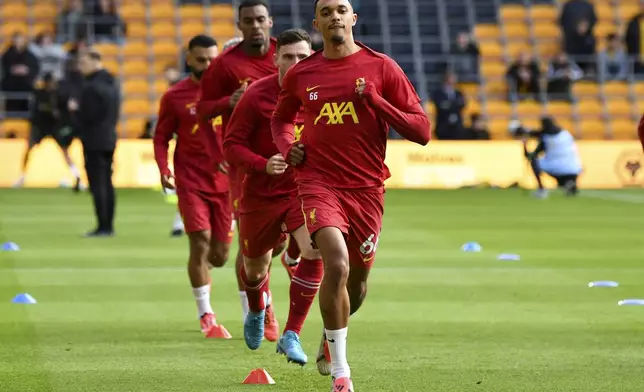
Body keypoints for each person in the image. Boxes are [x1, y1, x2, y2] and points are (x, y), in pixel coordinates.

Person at [271, 0, 430, 389]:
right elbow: (280, 117)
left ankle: (329, 339)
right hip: (318, 182)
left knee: (355, 286)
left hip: (366, 188)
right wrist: (288, 144)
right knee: (336, 265)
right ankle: (342, 373)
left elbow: (422, 131)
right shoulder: (302, 73)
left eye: (341, 9)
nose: (334, 17)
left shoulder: (382, 68)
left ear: (353, 19)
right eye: (326, 12)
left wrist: (376, 101)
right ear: (317, 23)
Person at [224, 28, 321, 364]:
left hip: (303, 191)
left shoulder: (322, 93)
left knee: (315, 249)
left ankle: (291, 333)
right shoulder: (256, 95)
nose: (296, 63)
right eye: (289, 56)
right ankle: (256, 308)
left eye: (303, 57)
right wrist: (263, 164)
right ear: (276, 59)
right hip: (260, 193)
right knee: (254, 268)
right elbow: (231, 145)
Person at [197, 0, 290, 338]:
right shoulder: (224, 66)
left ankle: (285, 263)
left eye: (260, 19)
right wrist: (228, 104)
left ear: (270, 22)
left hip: (290, 157)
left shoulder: (289, 54)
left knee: (278, 244)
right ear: (240, 26)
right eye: (248, 20)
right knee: (254, 245)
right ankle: (260, 308)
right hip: (247, 166)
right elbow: (203, 110)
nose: (255, 25)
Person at [153, 35, 233, 336]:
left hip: (226, 183)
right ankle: (205, 313)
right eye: (201, 60)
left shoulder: (232, 94)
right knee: (199, 239)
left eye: (213, 59)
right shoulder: (175, 96)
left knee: (219, 256)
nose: (208, 64)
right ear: (189, 60)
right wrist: (164, 168)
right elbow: (161, 136)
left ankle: (204, 275)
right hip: (190, 180)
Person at [167, 39, 239, 238]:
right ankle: (181, 220)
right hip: (196, 171)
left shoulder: (251, 90)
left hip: (237, 170)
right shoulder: (189, 94)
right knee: (203, 238)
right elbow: (202, 114)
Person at [74, 50, 120, 237]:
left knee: (98, 184)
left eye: (83, 62)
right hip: (109, 137)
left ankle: (103, 226)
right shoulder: (112, 83)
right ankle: (108, 225)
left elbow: (89, 116)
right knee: (107, 182)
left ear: (95, 61)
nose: (80, 67)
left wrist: (74, 112)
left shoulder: (91, 87)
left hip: (94, 139)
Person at [14, 73, 81, 190]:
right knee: (29, 149)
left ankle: (77, 176)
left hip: (55, 127)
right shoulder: (39, 94)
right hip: (40, 126)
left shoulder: (59, 95)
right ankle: (22, 177)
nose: (51, 84)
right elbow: (35, 111)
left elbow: (66, 109)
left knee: (65, 151)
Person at [510, 116, 582, 198]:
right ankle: (568, 183)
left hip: (555, 167)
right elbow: (540, 133)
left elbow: (531, 156)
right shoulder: (566, 134)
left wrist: (524, 145)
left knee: (535, 162)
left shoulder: (547, 138)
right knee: (562, 178)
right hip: (574, 168)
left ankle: (541, 189)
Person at [431, 71, 465, 140]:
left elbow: (462, 105)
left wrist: (448, 104)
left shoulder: (459, 93)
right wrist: (455, 104)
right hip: (443, 127)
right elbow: (440, 106)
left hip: (457, 127)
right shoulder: (438, 93)